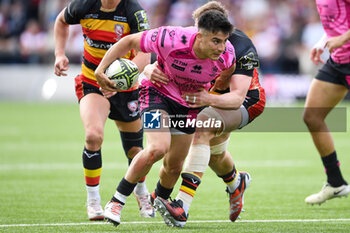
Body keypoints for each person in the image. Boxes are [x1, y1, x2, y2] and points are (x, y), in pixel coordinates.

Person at [95, 9, 235, 226]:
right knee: (158, 148)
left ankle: (158, 200)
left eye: (224, 41)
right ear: (199, 36)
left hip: (187, 105)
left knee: (174, 167)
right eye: (216, 41)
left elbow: (229, 70)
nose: (221, 47)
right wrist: (100, 70)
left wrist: (209, 94)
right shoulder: (170, 38)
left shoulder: (227, 55)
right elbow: (129, 41)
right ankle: (116, 201)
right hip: (156, 93)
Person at [144, 1, 265, 227]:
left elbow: (237, 96)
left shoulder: (241, 45)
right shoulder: (189, 38)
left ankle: (181, 206)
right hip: (207, 98)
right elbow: (160, 59)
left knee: (202, 129)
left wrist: (207, 99)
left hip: (245, 101)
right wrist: (148, 68)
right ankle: (235, 183)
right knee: (214, 154)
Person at [53, 0, 155, 220]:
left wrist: (122, 79)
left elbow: (145, 55)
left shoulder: (134, 12)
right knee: (93, 136)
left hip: (126, 87)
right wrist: (59, 53)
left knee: (136, 151)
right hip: (92, 82)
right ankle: (93, 201)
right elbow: (61, 21)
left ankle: (141, 191)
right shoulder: (83, 5)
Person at [303, 0, 350, 205]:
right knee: (312, 117)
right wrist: (324, 41)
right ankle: (335, 182)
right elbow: (338, 21)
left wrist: (342, 38)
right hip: (338, 62)